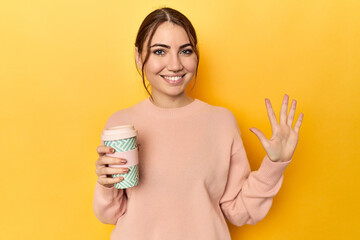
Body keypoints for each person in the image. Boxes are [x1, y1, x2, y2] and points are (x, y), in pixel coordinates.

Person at [93, 7, 303, 240]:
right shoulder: (121, 124)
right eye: (160, 51)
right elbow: (110, 214)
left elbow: (238, 210)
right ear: (139, 57)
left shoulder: (221, 121)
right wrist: (107, 185)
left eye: (185, 51)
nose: (175, 65)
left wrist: (274, 164)